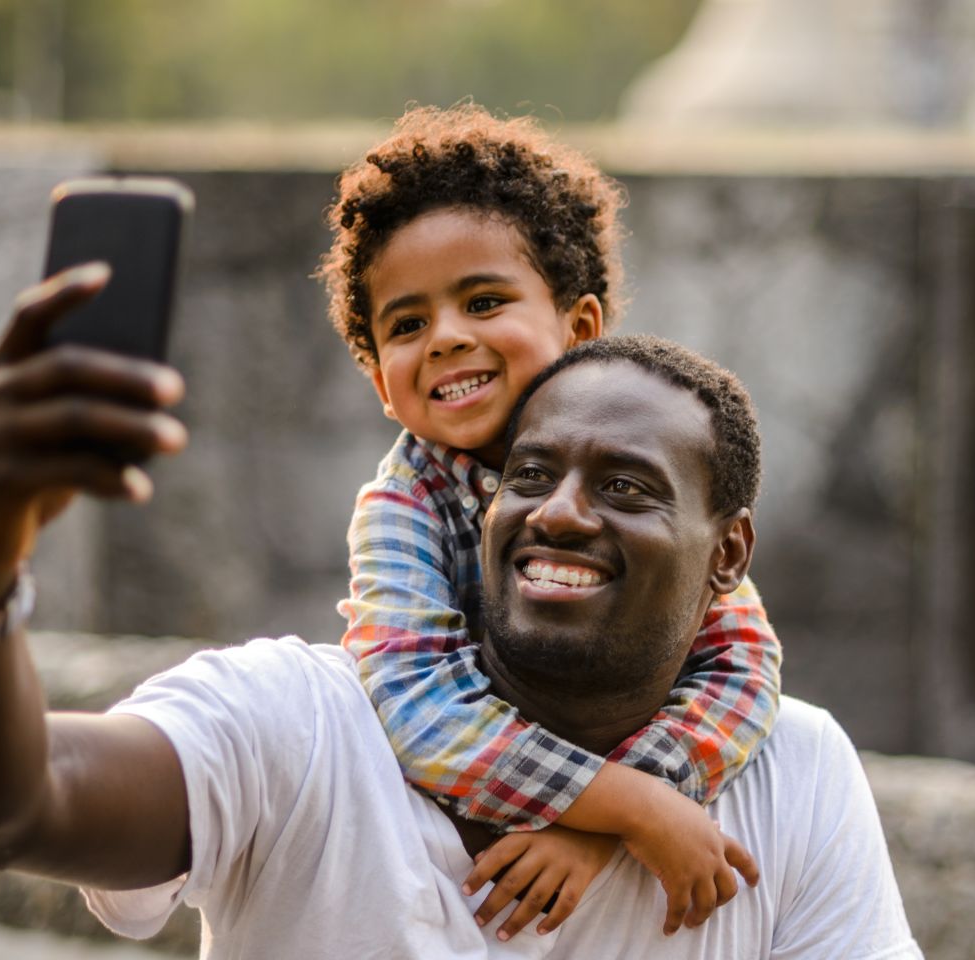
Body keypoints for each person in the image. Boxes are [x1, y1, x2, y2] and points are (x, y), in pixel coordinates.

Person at [0, 319, 922, 956]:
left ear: (728, 554)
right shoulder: (297, 725)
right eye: (528, 474)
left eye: (626, 488)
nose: (560, 513)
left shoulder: (791, 773)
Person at [321, 105, 783, 937]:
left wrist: (607, 821)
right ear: (382, 383)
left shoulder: (659, 480)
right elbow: (421, 706)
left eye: (484, 300)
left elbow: (741, 667)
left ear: (578, 328)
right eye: (408, 324)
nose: (447, 338)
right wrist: (626, 808)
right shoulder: (403, 508)